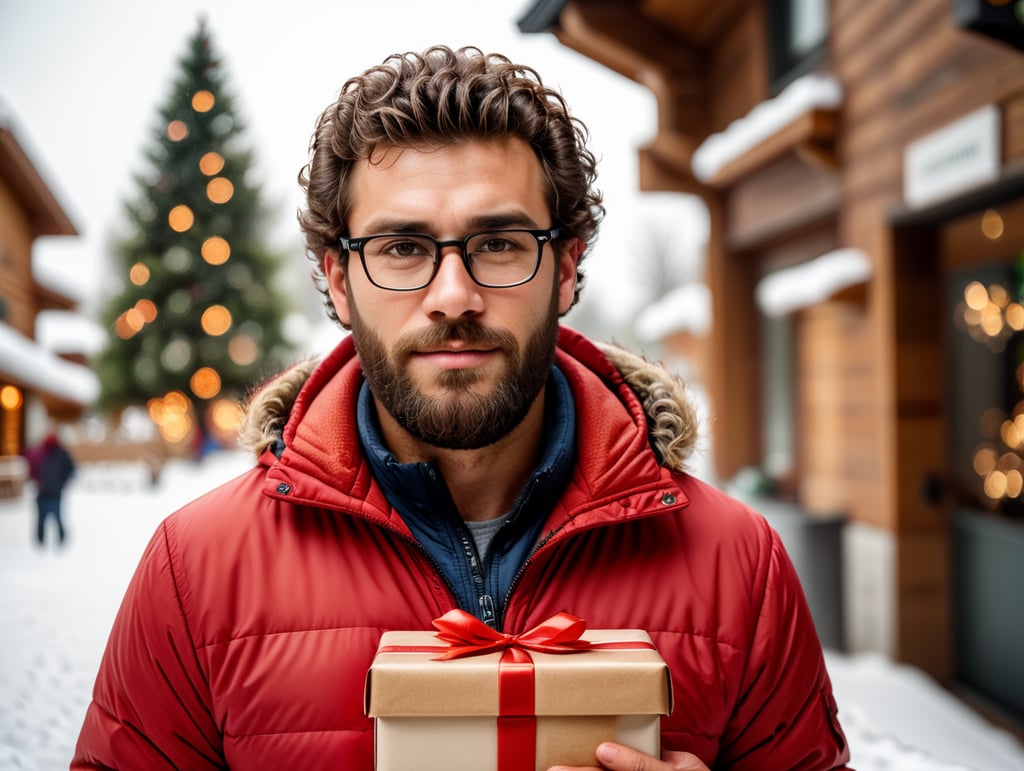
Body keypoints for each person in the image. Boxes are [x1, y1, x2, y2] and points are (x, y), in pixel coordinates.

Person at [72, 46, 850, 770]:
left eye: (501, 243)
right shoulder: (197, 569)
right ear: (339, 279)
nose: (454, 297)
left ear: (567, 267)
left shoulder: (736, 564)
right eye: (403, 247)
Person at [25, 429, 75, 548]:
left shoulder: (58, 453)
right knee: (46, 519)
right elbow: (32, 467)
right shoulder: (41, 453)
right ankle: (43, 542)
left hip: (50, 492)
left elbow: (71, 470)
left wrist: (62, 482)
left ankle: (56, 541)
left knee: (51, 518)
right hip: (46, 492)